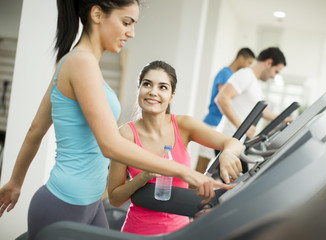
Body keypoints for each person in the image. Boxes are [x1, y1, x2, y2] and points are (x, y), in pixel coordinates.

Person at [0, 1, 233, 239]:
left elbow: (35, 129)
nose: (131, 32)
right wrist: (185, 172)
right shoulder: (80, 63)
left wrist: (15, 182)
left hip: (91, 204)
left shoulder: (77, 62)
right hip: (64, 202)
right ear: (97, 14)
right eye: (126, 22)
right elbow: (109, 144)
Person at [107, 60, 244, 235]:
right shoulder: (125, 134)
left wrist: (227, 154)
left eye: (162, 87)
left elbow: (233, 142)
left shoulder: (183, 125)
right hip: (138, 231)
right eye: (147, 84)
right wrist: (143, 177)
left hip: (179, 231)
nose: (153, 92)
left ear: (171, 95)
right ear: (139, 89)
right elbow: (115, 198)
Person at [196, 48, 255, 174]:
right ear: (240, 58)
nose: (248, 67)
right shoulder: (225, 73)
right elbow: (223, 98)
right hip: (212, 122)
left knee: (213, 166)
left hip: (220, 125)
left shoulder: (233, 76)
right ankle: (190, 192)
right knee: (203, 163)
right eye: (248, 63)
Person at [215, 47, 289, 144]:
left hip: (236, 140)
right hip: (227, 137)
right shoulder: (246, 74)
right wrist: (242, 128)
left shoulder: (256, 82)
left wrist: (285, 119)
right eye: (276, 71)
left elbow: (262, 112)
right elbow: (222, 98)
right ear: (268, 62)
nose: (274, 76)